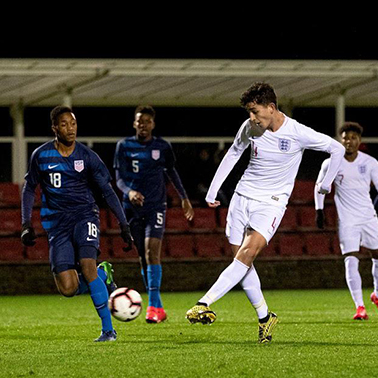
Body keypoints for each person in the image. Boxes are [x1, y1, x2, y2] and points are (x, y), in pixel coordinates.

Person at [185, 82, 344, 343]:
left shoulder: (297, 132)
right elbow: (234, 153)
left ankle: (204, 302)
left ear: (271, 108)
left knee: (247, 254)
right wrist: (213, 191)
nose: (252, 117)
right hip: (242, 196)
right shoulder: (250, 128)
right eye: (249, 111)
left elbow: (336, 149)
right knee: (241, 260)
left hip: (271, 202)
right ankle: (265, 317)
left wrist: (326, 183)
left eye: (255, 111)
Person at [20, 106, 134, 342]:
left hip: (85, 216)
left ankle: (108, 331)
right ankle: (103, 276)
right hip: (57, 224)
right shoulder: (41, 156)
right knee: (68, 288)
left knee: (87, 264)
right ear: (54, 128)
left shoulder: (87, 156)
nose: (70, 129)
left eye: (73, 124)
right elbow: (29, 187)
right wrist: (25, 223)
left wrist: (124, 224)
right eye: (64, 124)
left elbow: (107, 191)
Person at [114, 105, 194, 324]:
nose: (143, 125)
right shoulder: (123, 146)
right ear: (134, 123)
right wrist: (129, 192)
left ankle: (152, 307)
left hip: (156, 206)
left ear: (153, 124)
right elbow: (118, 178)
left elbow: (172, 172)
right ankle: (157, 306)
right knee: (142, 256)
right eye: (140, 121)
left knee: (152, 251)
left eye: (147, 121)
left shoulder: (162, 147)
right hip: (130, 208)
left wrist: (184, 197)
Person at [315, 122, 378, 320]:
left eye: (353, 137)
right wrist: (319, 210)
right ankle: (360, 307)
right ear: (339, 140)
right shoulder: (331, 163)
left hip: (368, 216)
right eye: (345, 137)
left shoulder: (369, 162)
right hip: (347, 219)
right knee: (351, 258)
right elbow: (320, 186)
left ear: (359, 140)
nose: (349, 141)